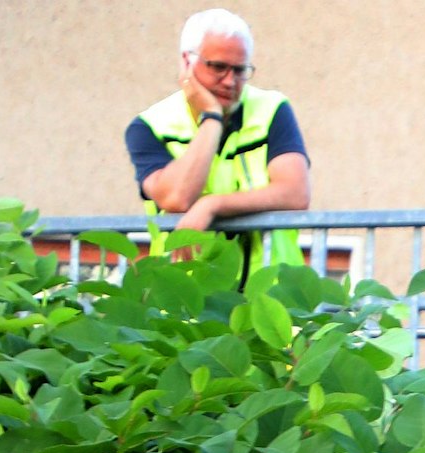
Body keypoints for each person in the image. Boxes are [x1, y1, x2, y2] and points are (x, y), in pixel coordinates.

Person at [129, 10, 309, 273]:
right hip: (188, 300)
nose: (230, 81)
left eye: (239, 70)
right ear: (186, 63)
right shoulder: (150, 126)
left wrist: (212, 205)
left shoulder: (272, 108)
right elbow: (177, 198)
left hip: (268, 297)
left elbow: (295, 192)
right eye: (218, 67)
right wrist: (211, 117)